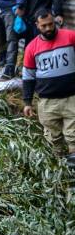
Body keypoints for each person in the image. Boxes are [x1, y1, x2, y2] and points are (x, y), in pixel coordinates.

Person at [22, 9, 75, 167]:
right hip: (47, 102)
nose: (48, 28)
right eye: (44, 25)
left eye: (51, 24)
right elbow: (28, 77)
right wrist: (27, 102)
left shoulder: (70, 37)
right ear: (37, 26)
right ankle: (59, 172)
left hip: (71, 98)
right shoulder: (31, 48)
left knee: (73, 137)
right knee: (53, 139)